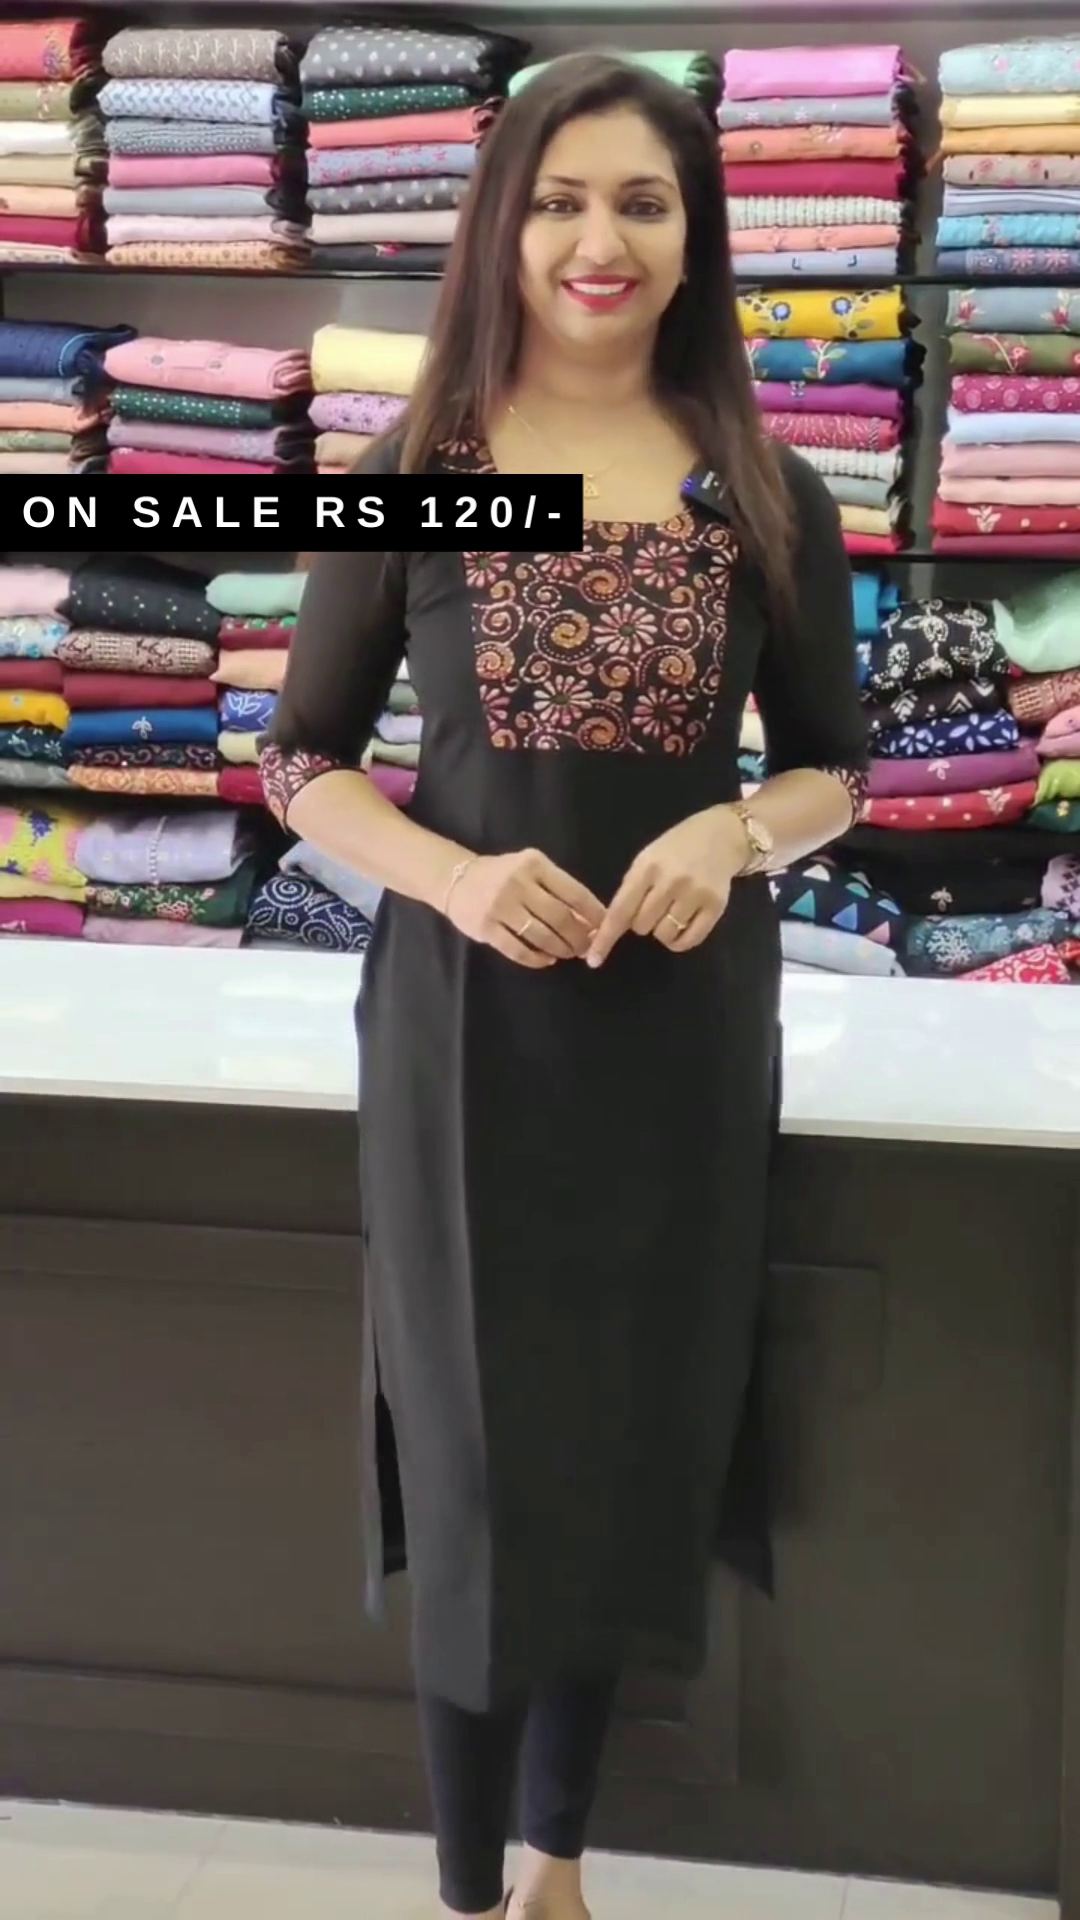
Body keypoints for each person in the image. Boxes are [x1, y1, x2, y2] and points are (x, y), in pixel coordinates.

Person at [261, 51, 868, 1920]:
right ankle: (465, 1889)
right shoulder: (423, 477)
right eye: (560, 200)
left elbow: (837, 769)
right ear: (502, 230)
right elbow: (301, 761)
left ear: (696, 237)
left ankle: (556, 1865)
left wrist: (736, 836)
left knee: (622, 1437)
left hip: (677, 1037)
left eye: (643, 202)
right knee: (472, 1463)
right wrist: (451, 874)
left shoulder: (761, 488)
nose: (600, 241)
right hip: (467, 1039)